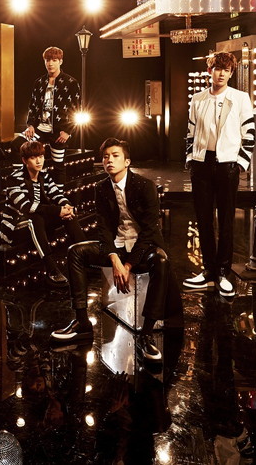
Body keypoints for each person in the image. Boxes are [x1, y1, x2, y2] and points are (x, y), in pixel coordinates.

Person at [50, 138, 183, 363]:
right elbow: (103, 229)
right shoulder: (101, 188)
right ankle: (82, 322)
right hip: (117, 246)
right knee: (75, 252)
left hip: (144, 247)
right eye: (105, 157)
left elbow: (150, 231)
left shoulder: (145, 186)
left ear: (127, 161)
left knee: (161, 261)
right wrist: (114, 259)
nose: (109, 160)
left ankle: (146, 333)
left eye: (115, 155)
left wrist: (128, 265)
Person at [183, 51, 255, 297]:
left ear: (231, 73)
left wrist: (240, 163)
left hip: (227, 164)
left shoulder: (240, 98)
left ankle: (223, 272)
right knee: (203, 219)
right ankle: (208, 270)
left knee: (225, 219)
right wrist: (190, 159)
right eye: (218, 69)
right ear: (210, 71)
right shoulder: (198, 98)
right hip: (201, 164)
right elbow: (190, 132)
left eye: (226, 70)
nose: (222, 73)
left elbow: (249, 133)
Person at [0, 140, 85, 286]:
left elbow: (57, 194)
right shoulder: (13, 179)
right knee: (35, 218)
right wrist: (58, 210)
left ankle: (86, 254)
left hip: (37, 222)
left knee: (68, 216)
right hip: (15, 226)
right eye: (33, 158)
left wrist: (66, 206)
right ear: (24, 161)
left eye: (41, 156)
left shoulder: (44, 176)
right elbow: (26, 207)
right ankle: (51, 269)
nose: (39, 161)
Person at [16, 46, 81, 184]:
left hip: (59, 131)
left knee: (58, 165)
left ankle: (59, 194)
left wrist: (68, 131)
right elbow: (32, 106)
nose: (50, 63)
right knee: (17, 144)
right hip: (40, 129)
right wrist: (30, 125)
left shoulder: (70, 82)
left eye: (54, 60)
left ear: (60, 61)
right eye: (47, 60)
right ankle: (22, 184)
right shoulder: (39, 82)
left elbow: (77, 109)